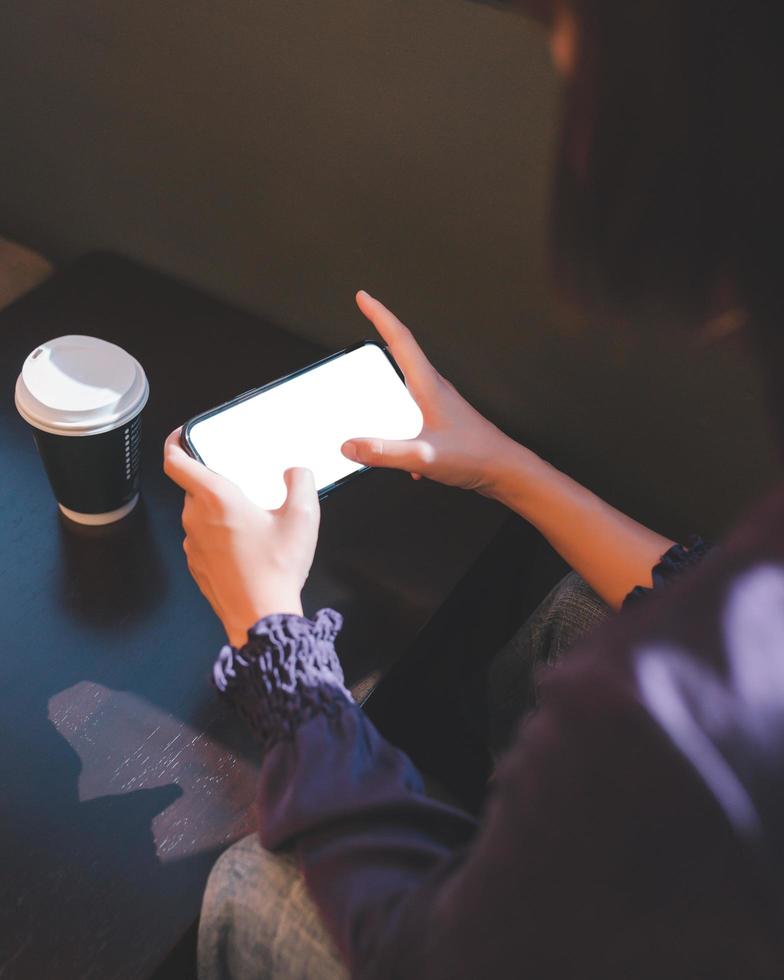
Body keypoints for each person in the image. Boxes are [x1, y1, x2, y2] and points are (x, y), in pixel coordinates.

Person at [163, 1, 784, 976]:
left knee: (251, 885)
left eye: (571, 51)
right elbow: (720, 594)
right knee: (580, 606)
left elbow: (421, 954)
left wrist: (272, 632)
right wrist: (503, 463)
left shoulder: (668, 716)